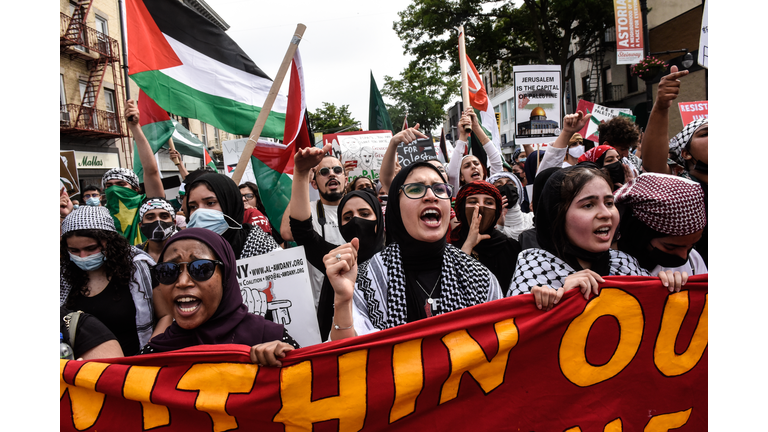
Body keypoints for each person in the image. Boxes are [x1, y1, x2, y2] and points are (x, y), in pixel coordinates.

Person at [325, 161, 503, 340]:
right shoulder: (366, 280)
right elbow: (349, 358)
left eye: (440, 189)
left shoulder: (479, 278)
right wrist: (342, 300)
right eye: (416, 189)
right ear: (396, 205)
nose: (431, 196)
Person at [140, 228, 299, 367]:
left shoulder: (269, 337)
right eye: (169, 270)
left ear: (226, 277)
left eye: (201, 269)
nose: (182, 282)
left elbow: (310, 385)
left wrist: (289, 361)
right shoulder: (154, 356)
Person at [507, 164, 657, 310]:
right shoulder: (534, 265)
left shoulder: (625, 264)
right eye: (588, 205)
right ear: (558, 216)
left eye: (609, 203)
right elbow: (516, 329)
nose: (606, 213)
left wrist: (669, 288)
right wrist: (564, 302)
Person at [289, 145, 386, 339]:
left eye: (365, 214)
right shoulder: (336, 262)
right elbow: (303, 232)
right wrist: (300, 172)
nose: (357, 220)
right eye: (348, 217)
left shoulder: (397, 259)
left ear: (379, 221)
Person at [60, 206, 172, 356]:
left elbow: (166, 316)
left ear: (110, 242)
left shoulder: (138, 270)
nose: (82, 256)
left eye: (91, 248)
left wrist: (149, 352)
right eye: (74, 250)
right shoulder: (63, 275)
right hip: (81, 371)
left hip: (135, 365)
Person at [640, 66, 708, 266]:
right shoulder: (681, 188)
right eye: (706, 134)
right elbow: (653, 165)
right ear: (685, 153)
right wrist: (661, 106)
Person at [280, 153, 348, 301]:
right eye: (324, 172)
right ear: (314, 183)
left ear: (346, 179)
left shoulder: (357, 208)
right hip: (320, 301)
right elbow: (287, 232)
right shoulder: (307, 211)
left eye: (337, 170)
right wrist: (303, 178)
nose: (331, 174)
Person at [614, 173, 707, 279]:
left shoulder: (693, 262)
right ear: (640, 232)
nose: (684, 256)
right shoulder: (608, 265)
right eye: (670, 247)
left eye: (691, 246)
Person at [101, 100, 165, 245]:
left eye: (120, 184)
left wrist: (135, 127)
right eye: (109, 185)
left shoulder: (147, 207)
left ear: (136, 189)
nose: (114, 189)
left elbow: (151, 171)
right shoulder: (100, 215)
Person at [185, 173, 279, 260]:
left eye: (210, 203)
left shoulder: (261, 247)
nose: (200, 212)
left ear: (231, 204)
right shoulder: (184, 250)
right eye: (193, 207)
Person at [450, 181, 522, 294]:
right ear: (462, 208)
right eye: (473, 202)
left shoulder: (512, 247)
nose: (481, 207)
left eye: (488, 203)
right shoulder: (449, 248)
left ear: (496, 212)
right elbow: (450, 289)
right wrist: (468, 244)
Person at [446, 108, 503, 196]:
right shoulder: (457, 194)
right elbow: (452, 174)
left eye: (476, 163)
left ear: (483, 172)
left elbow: (496, 161)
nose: (473, 167)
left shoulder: (493, 189)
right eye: (467, 166)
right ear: (461, 177)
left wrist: (476, 127)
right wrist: (462, 136)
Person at [486, 172, 534, 241]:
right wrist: (500, 226)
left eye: (511, 184)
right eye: (499, 186)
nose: (506, 187)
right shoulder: (491, 229)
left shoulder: (532, 218)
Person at [137, 198, 178, 263]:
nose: (157, 221)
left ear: (174, 223)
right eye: (150, 218)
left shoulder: (184, 251)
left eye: (164, 216)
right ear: (141, 225)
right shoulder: (134, 255)